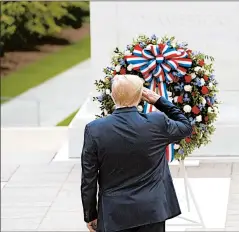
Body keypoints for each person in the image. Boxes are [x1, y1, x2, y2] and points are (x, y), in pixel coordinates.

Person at [80, 74, 192, 232]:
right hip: (152, 210)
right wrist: (159, 101)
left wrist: (90, 214)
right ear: (141, 96)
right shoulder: (157, 123)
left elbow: (88, 178)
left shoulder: (95, 129)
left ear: (112, 96)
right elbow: (186, 126)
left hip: (114, 212)